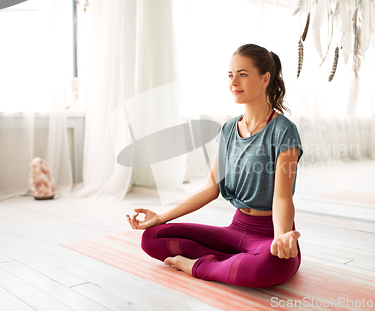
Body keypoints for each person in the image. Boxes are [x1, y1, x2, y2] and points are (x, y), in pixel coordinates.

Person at [126, 44, 304, 288]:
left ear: (265, 79)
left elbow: (282, 197)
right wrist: (160, 215)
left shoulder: (284, 131)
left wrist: (282, 237)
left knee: (270, 266)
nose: (234, 82)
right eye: (231, 75)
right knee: (152, 237)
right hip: (236, 228)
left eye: (243, 74)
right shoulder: (229, 129)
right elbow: (211, 188)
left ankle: (197, 266)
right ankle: (232, 263)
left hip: (269, 234)